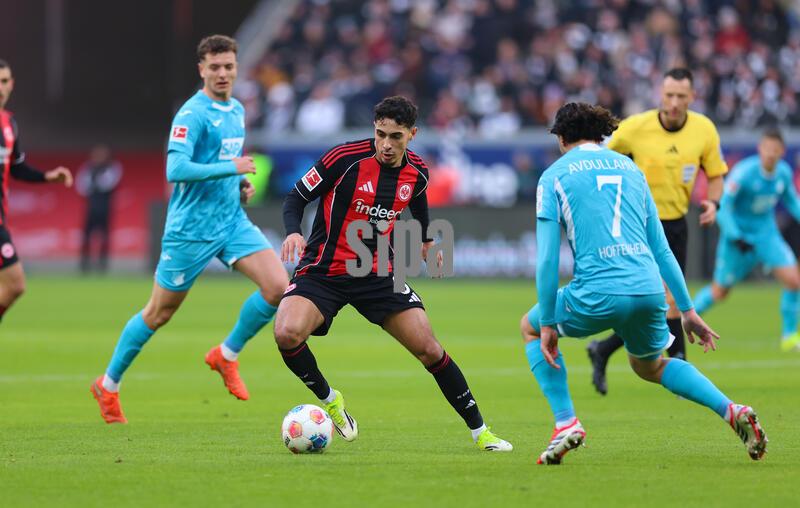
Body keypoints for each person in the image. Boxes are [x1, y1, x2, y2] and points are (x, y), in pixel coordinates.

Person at [522, 102, 767, 465]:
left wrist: (546, 323)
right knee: (650, 366)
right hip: (648, 289)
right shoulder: (631, 169)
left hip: (597, 291)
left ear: (561, 138)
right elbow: (662, 249)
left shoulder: (554, 176)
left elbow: (546, 260)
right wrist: (686, 309)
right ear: (600, 134)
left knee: (528, 328)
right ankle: (731, 410)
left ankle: (565, 423)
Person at [276, 96, 512, 451]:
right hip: (323, 270)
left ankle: (483, 433)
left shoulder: (416, 172)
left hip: (377, 274)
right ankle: (331, 401)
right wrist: (294, 230)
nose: (386, 145)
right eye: (381, 134)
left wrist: (426, 237)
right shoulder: (343, 158)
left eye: (396, 137)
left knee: (430, 349)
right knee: (287, 333)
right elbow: (295, 197)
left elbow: (419, 201)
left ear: (412, 134)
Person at [91, 35, 289, 423]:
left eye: (228, 66)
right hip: (190, 229)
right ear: (201, 69)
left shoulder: (235, 110)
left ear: (236, 68)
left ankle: (226, 355)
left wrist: (238, 184)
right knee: (159, 313)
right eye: (214, 67)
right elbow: (176, 169)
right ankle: (108, 384)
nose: (222, 73)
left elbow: (220, 161)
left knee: (278, 286)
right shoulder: (192, 114)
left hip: (231, 220)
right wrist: (231, 169)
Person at [586, 68, 729, 395]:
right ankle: (679, 365)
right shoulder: (636, 128)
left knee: (657, 302)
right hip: (637, 224)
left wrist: (713, 203)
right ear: (660, 95)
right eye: (669, 95)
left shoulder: (704, 130)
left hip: (676, 225)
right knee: (664, 301)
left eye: (681, 96)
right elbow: (603, 162)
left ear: (692, 97)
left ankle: (604, 349)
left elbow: (717, 174)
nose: (675, 102)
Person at [693, 129, 800, 352]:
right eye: (767, 148)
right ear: (760, 149)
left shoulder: (783, 173)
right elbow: (723, 207)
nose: (770, 154)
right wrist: (735, 236)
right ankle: (683, 320)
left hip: (767, 235)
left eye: (775, 150)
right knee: (719, 292)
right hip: (738, 240)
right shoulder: (744, 173)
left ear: (782, 152)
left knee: (793, 280)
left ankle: (789, 337)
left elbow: (792, 201)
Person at [0, 59, 73, 322]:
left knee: (14, 286)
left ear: (12, 84)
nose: (1, 88)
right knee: (15, 284)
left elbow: (17, 168)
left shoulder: (9, 124)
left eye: (5, 81)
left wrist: (47, 177)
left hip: (2, 220)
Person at [76, 145, 122, 273]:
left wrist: (94, 184)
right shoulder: (87, 168)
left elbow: (107, 184)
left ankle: (102, 265)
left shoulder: (112, 167)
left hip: (105, 207)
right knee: (86, 235)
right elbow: (81, 186)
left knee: (104, 236)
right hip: (90, 207)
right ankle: (84, 264)